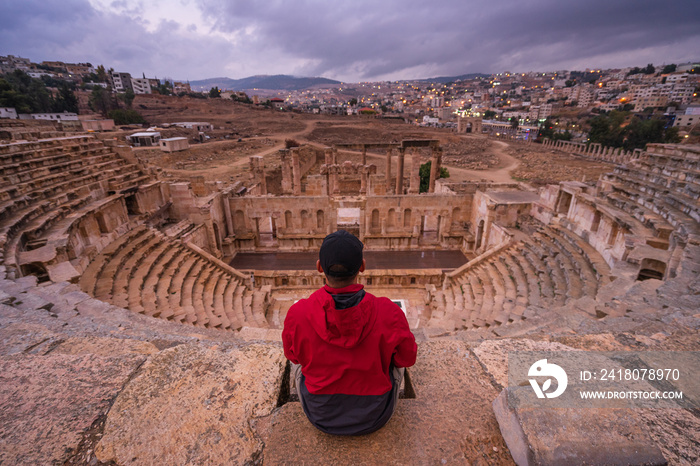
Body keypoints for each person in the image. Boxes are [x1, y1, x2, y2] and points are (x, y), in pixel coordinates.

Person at [282, 229, 417, 435]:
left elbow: (292, 356)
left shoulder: (298, 313)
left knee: (297, 365)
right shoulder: (390, 312)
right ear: (362, 267)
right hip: (375, 414)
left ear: (319, 267)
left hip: (320, 415)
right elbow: (407, 359)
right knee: (394, 358)